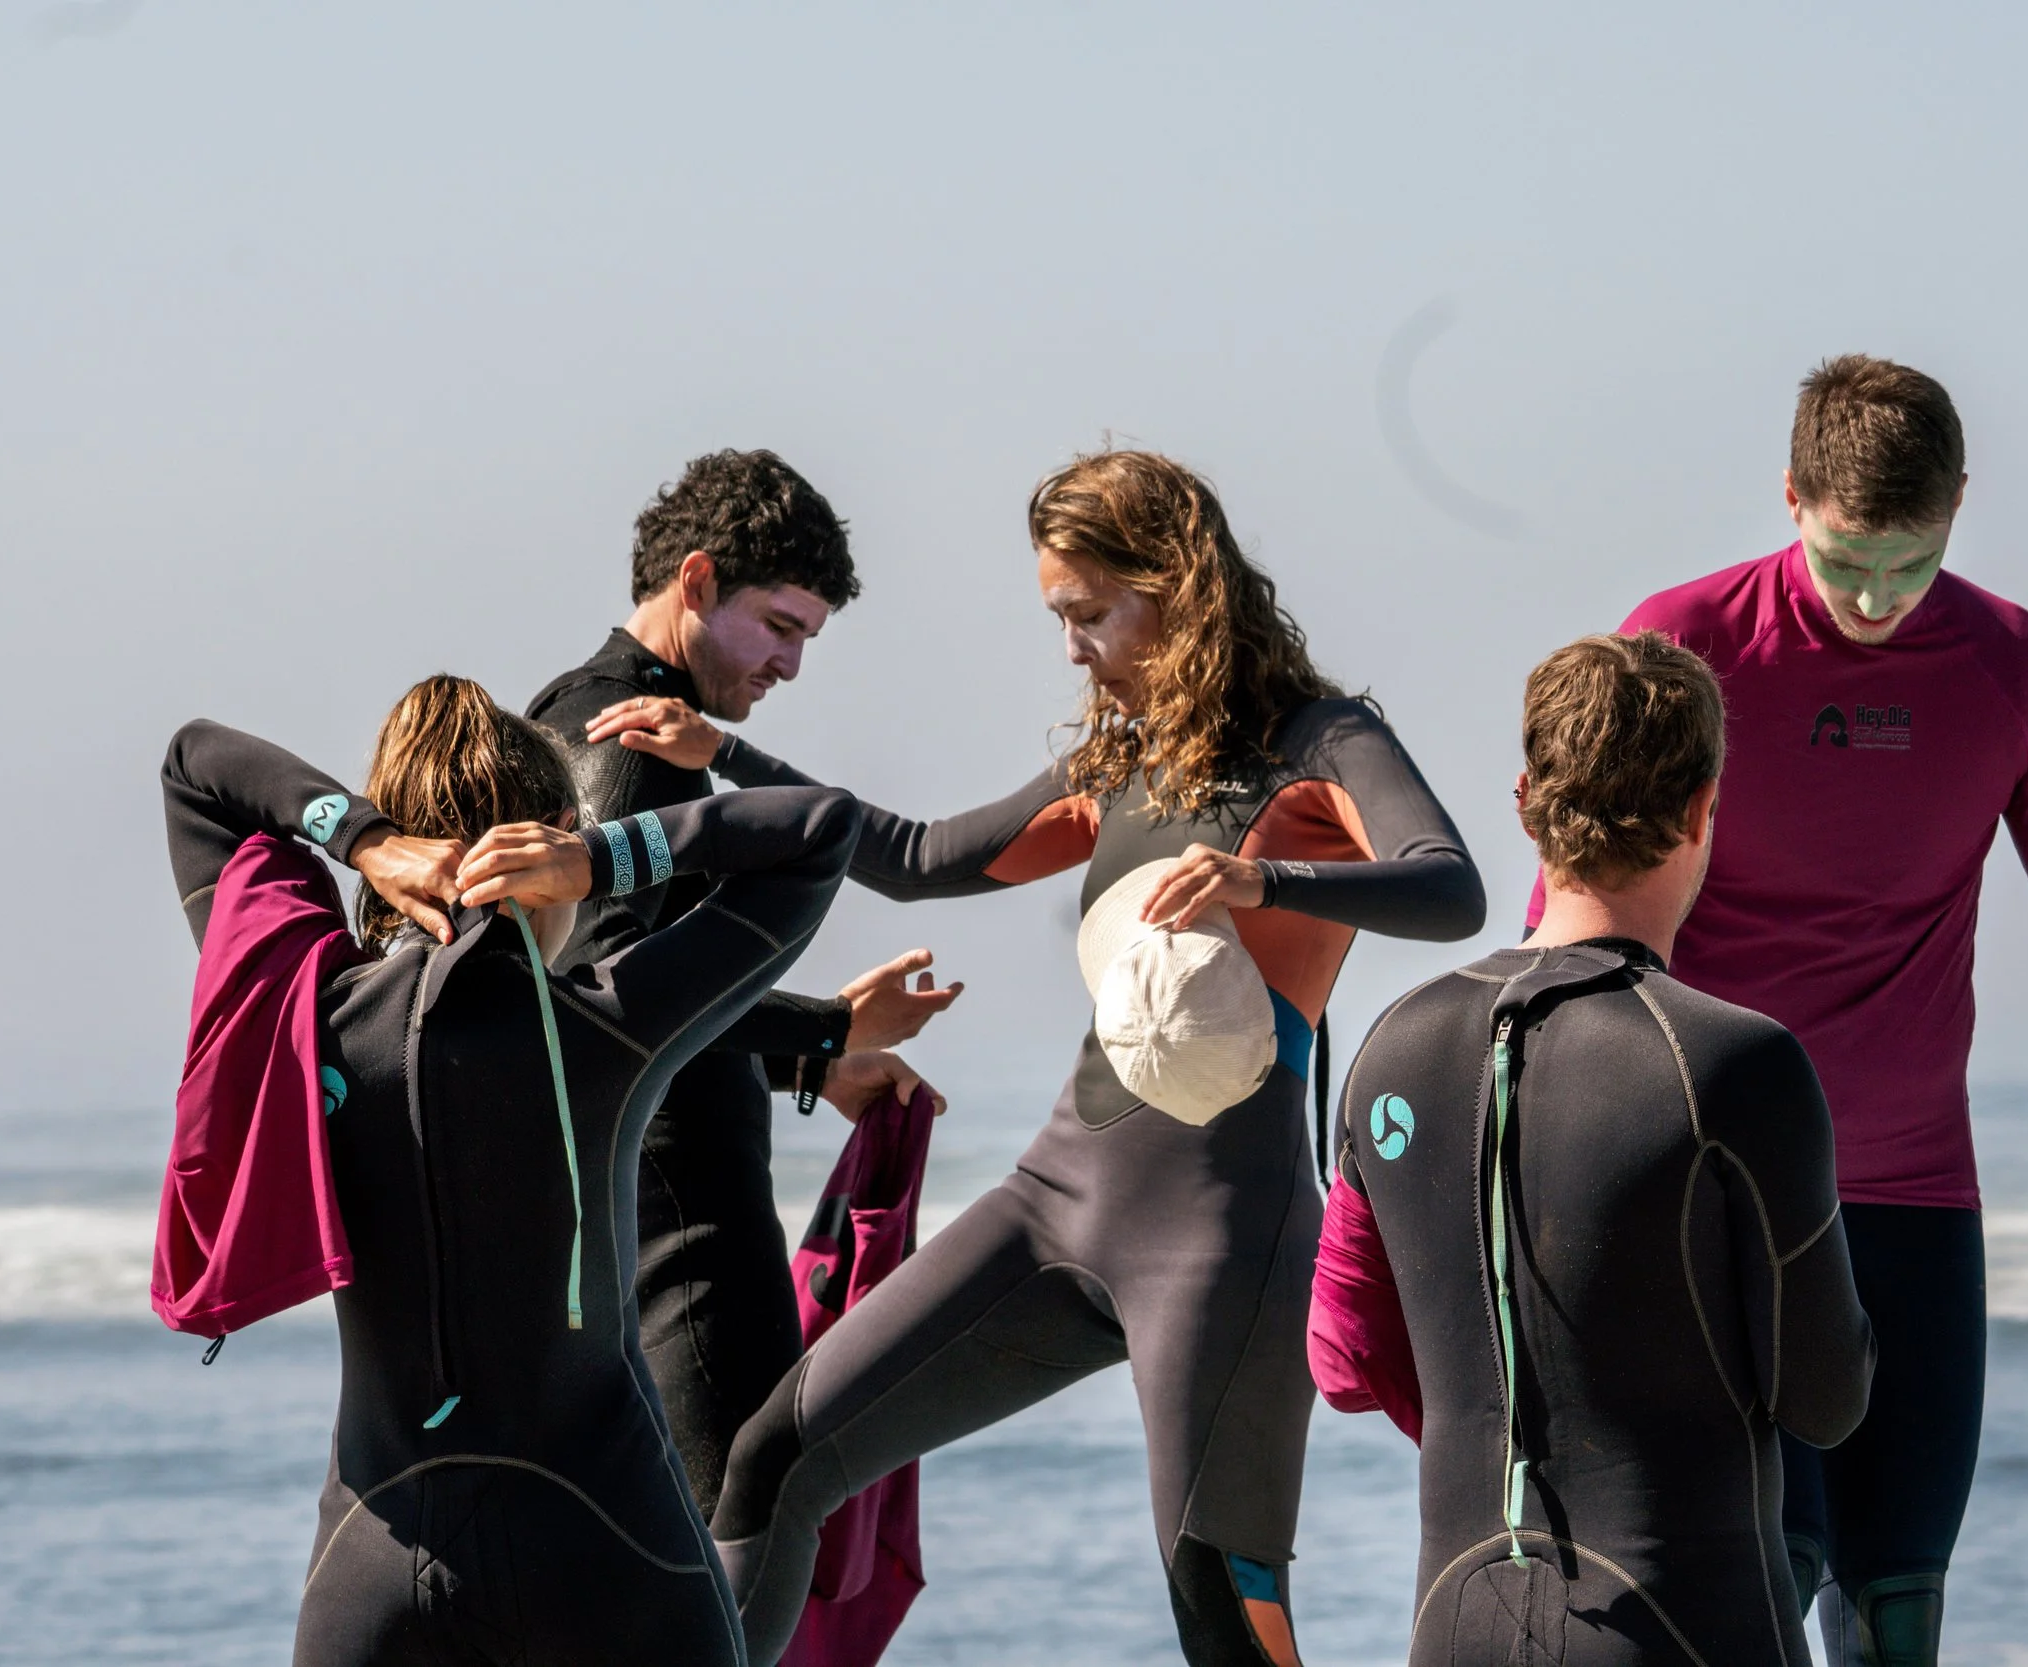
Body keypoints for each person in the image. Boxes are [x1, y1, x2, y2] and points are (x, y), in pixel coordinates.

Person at [594, 448, 1489, 1666]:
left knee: (1218, 1602)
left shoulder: (1319, 738)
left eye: (1086, 613)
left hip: (1222, 1231)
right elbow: (915, 853)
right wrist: (727, 756)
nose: (1071, 647)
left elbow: (1453, 886)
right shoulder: (1115, 759)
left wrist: (1263, 875)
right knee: (776, 1453)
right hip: (1056, 1194)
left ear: (1173, 584)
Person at [1525, 356, 2028, 1664]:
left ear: (1962, 509)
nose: (1874, 602)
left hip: (1915, 1197)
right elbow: (1569, 913)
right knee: (1761, 1582)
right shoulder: (1686, 644)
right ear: (1792, 497)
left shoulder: (2015, 671)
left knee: (1897, 1612)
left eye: (1910, 565)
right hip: (1715, 1194)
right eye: (1847, 560)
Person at [160, 677, 862, 1666]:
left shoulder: (302, 1018)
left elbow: (195, 765)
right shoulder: (610, 1022)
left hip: (372, 1570)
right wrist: (604, 858)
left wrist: (357, 835)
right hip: (607, 1551)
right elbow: (819, 829)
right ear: (556, 837)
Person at [1311, 631, 1875, 1664]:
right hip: (1688, 1624)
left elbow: (1342, 1357)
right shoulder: (1734, 1064)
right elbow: (1825, 1395)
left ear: (1525, 801)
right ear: (1704, 808)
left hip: (1457, 1620)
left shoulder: (1389, 1045)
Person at [527, 448, 962, 1515]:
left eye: (806, 637)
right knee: (742, 1538)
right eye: (780, 626)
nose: (791, 665)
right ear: (697, 579)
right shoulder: (627, 744)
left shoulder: (583, 710)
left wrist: (815, 1058)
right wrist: (827, 1025)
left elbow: (651, 998)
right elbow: (606, 992)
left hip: (653, 1204)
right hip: (680, 1235)